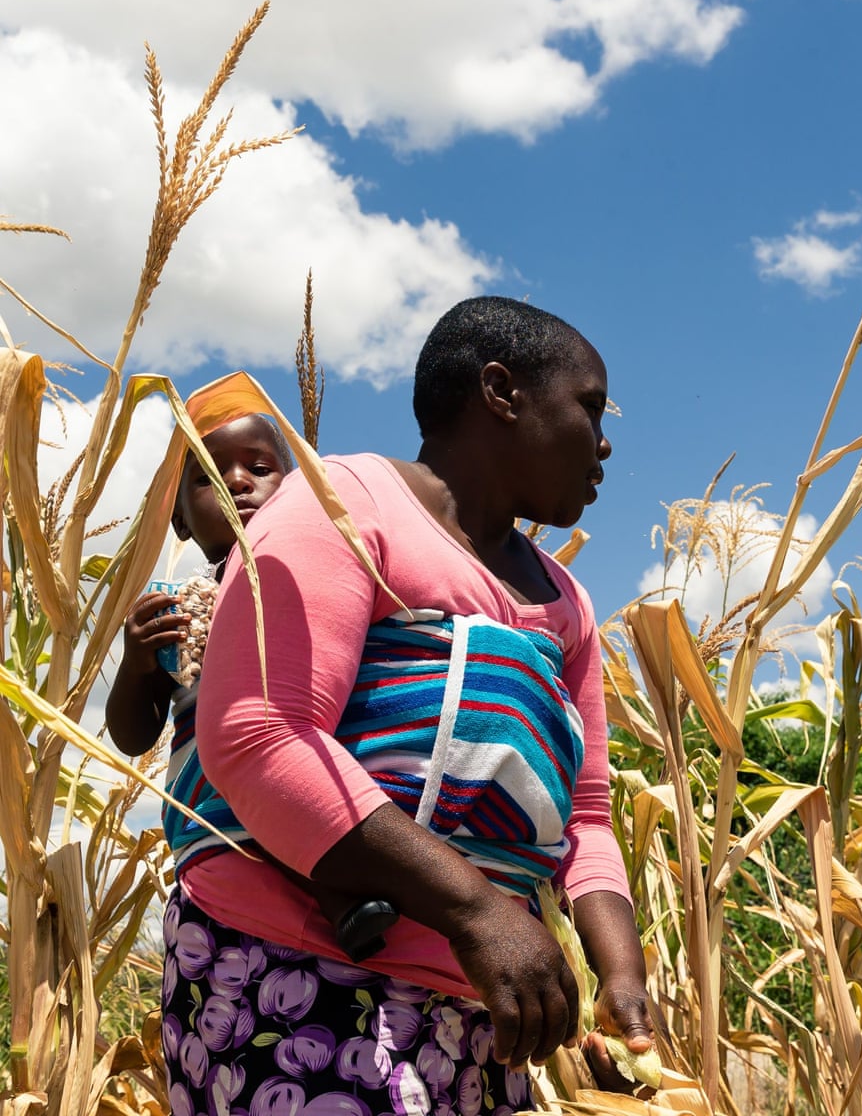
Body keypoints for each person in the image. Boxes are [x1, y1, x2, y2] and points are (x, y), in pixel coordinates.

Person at [160, 298, 653, 1116]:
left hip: (479, 1002)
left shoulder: (566, 601)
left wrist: (621, 974)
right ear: (501, 392)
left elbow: (588, 816)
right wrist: (479, 911)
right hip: (292, 970)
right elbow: (261, 734)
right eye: (590, 407)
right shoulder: (344, 505)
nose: (603, 444)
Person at [105, 414, 398, 961]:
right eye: (208, 478)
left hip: (311, 776)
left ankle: (348, 901)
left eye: (260, 469)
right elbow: (132, 736)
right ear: (181, 521)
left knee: (293, 791)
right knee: (250, 795)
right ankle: (342, 904)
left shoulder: (323, 579)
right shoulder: (176, 609)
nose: (238, 483)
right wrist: (137, 664)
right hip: (216, 804)